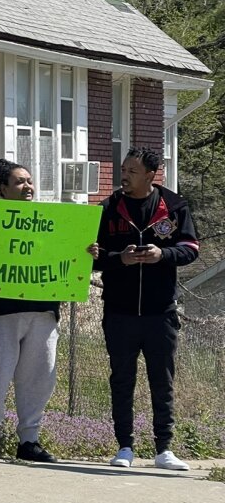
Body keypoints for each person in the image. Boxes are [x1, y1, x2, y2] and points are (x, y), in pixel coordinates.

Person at [91, 147, 199, 471]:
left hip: (160, 313)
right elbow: (90, 256)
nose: (124, 175)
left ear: (152, 174)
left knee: (162, 381)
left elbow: (190, 249)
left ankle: (164, 449)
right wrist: (117, 259)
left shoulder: (175, 205)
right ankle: (124, 447)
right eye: (123, 169)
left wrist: (161, 255)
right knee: (122, 380)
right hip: (120, 313)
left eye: (132, 171)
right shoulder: (108, 209)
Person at [0, 160, 62, 463]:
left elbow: (66, 258)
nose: (27, 187)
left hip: (42, 312)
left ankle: (28, 440)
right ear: (3, 189)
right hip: (0, 312)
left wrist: (86, 254)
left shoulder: (52, 221)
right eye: (19, 182)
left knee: (39, 378)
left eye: (29, 181)